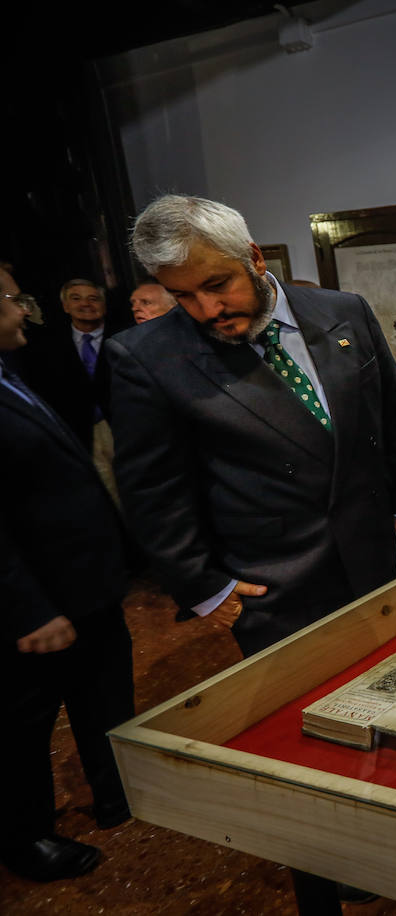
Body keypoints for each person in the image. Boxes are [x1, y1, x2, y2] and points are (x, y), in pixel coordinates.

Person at [108, 194, 396, 657]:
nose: (208, 309)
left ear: (253, 257)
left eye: (218, 283)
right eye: (184, 295)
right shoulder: (149, 357)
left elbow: (392, 420)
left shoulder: (345, 310)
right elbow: (154, 494)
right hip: (275, 587)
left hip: (377, 557)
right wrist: (206, 588)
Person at [1, 268, 135, 882]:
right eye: (12, 299)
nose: (23, 311)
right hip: (42, 599)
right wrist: (28, 608)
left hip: (86, 585)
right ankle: (26, 838)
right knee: (25, 725)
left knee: (103, 696)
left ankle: (118, 794)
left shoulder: (11, 375)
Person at [22, 278, 118, 500]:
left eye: (93, 298)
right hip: (77, 433)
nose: (86, 304)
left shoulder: (123, 336)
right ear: (65, 306)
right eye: (76, 298)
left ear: (104, 305)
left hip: (123, 429)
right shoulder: (47, 345)